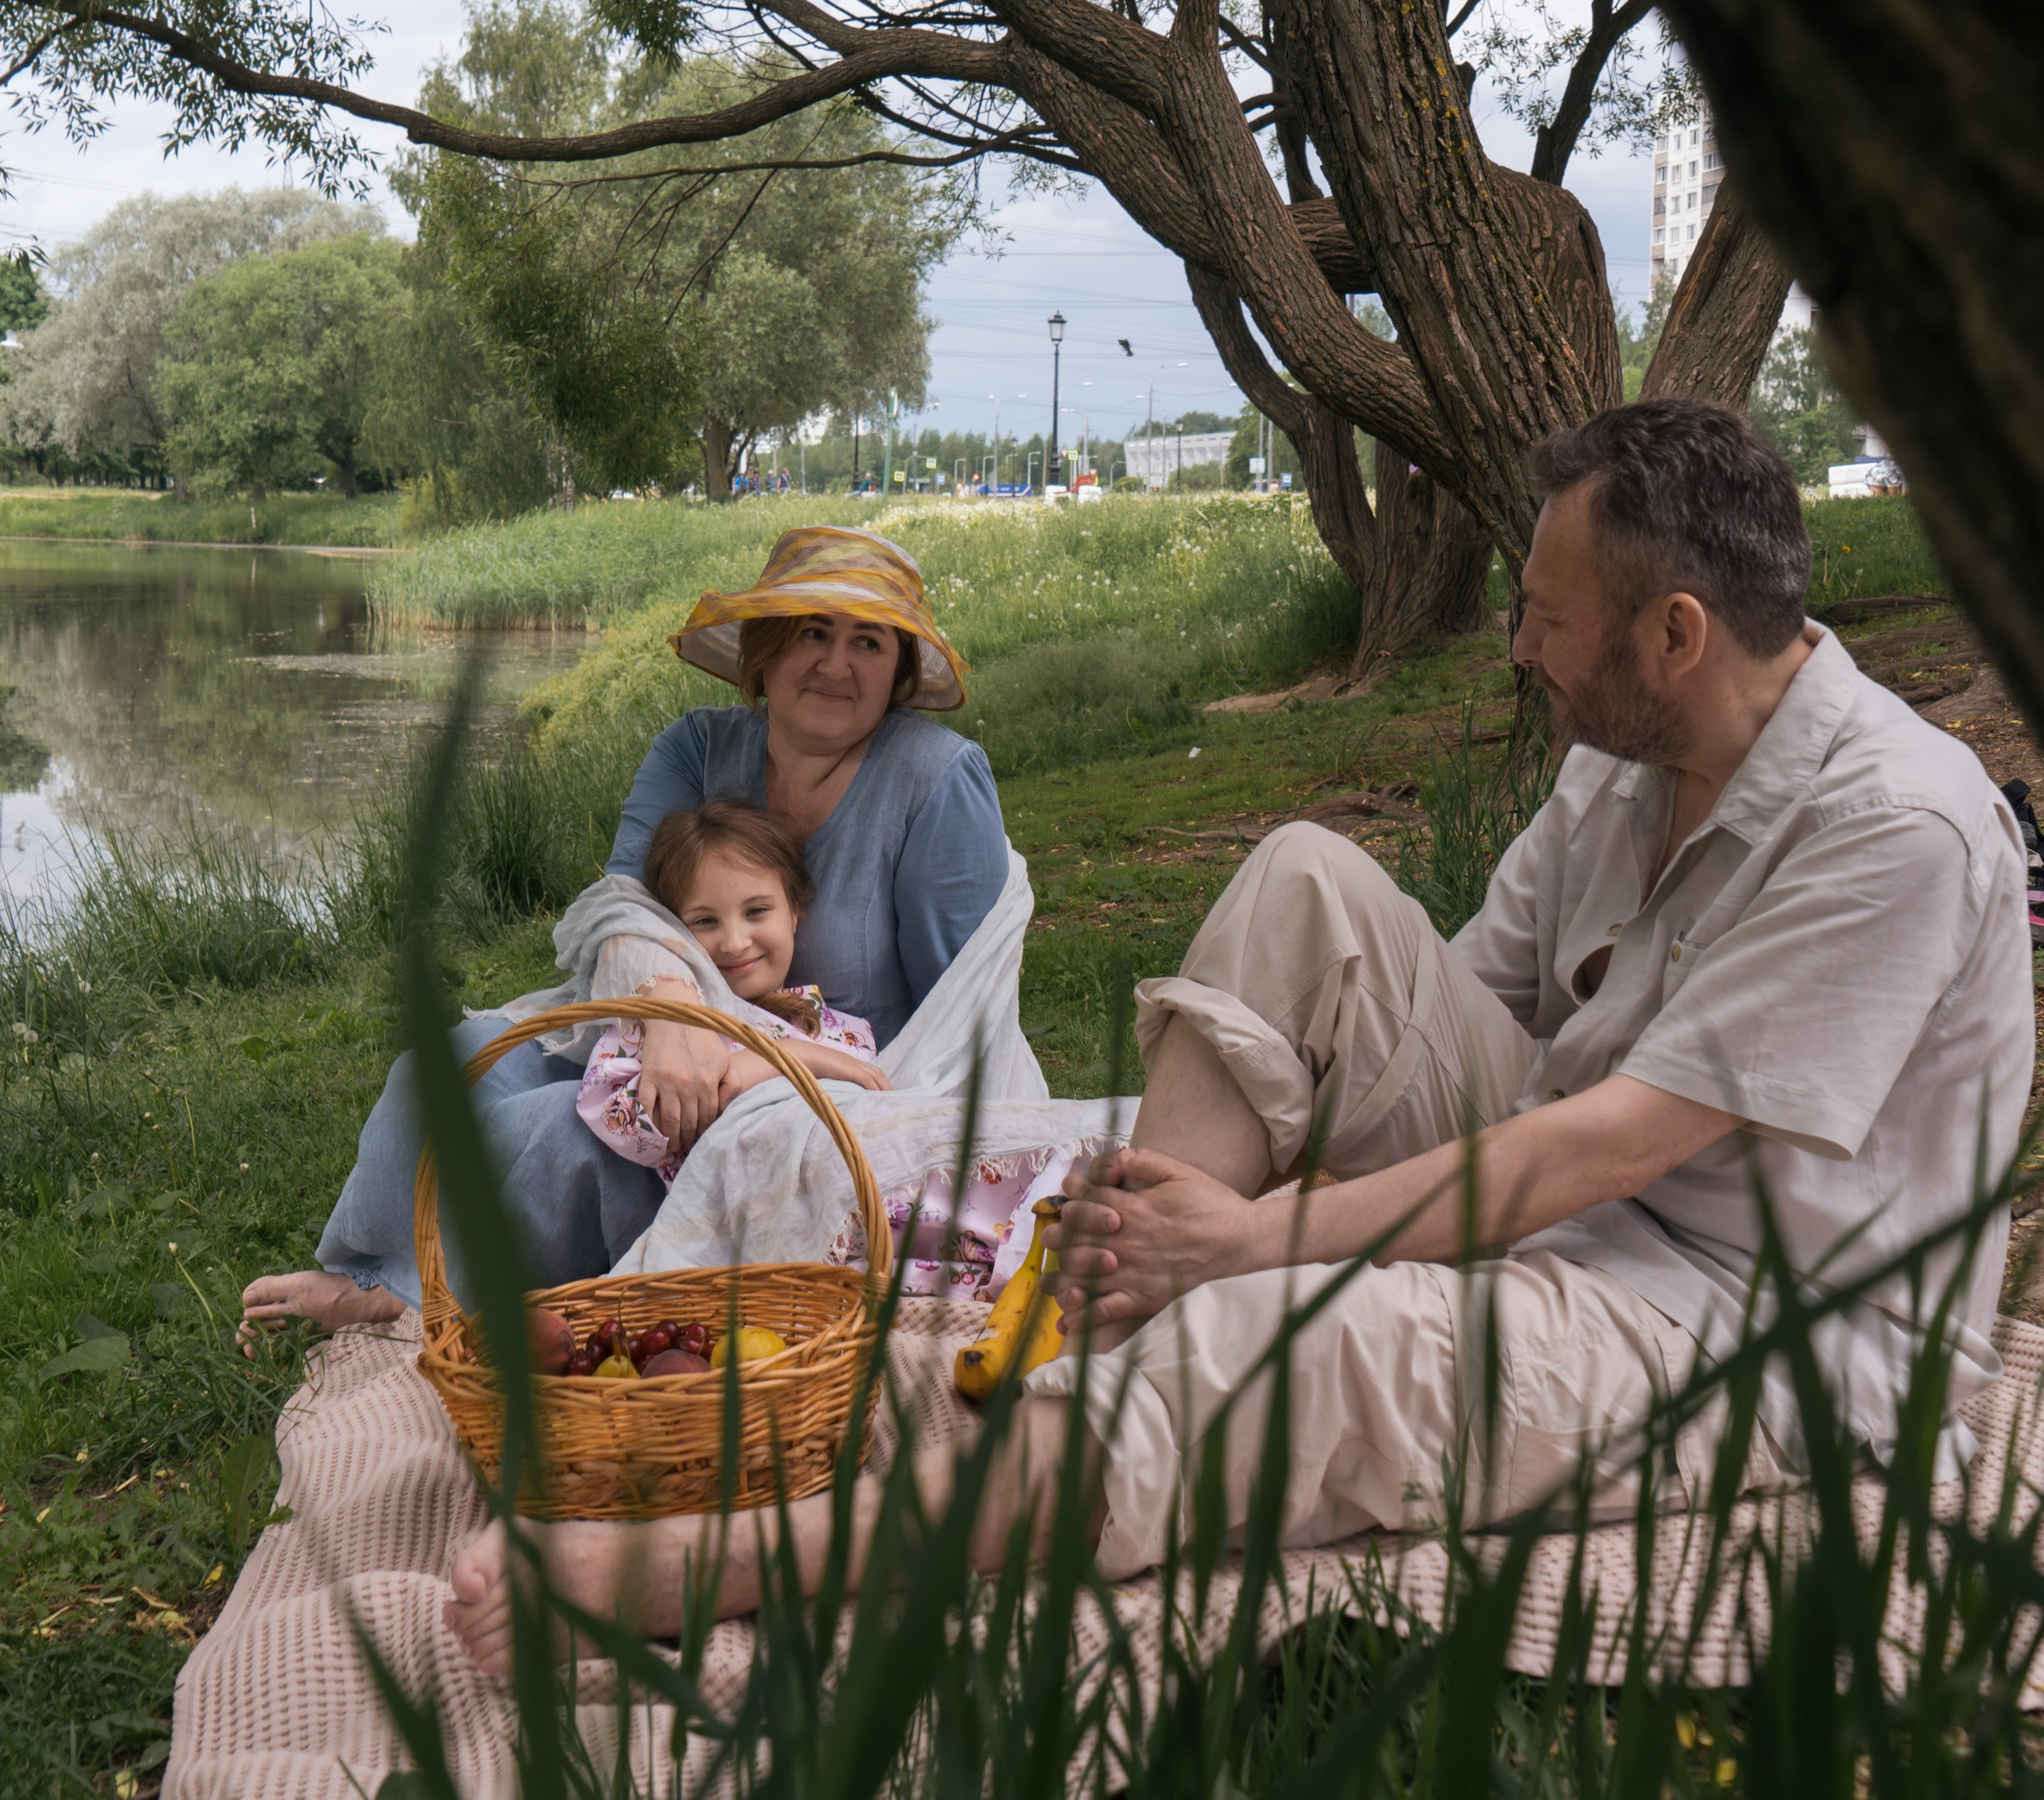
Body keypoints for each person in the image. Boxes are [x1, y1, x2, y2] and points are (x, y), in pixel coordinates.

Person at [442, 399, 2034, 1672]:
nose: (1517, 645)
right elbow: (1444, 1012)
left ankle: (726, 1567)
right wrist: (1234, 1203)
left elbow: (1606, 1144)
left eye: (1546, 618)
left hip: (1754, 1319)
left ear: (1674, 635)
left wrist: (1271, 1239)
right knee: (1304, 880)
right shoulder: (1625, 755)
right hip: (1560, 1182)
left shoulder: (1889, 829)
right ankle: (1108, 1313)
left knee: (1315, 1333)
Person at [241, 526, 1008, 1347]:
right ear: (764, 652)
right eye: (812, 632)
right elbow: (624, 903)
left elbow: (967, 1007)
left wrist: (788, 1070)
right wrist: (673, 1010)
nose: (835, 664)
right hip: (650, 1019)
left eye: (869, 642)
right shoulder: (699, 746)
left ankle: (416, 1303)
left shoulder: (934, 777)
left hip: (825, 1068)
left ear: (898, 671)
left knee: (567, 1130)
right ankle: (381, 1270)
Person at [575, 801, 889, 1186]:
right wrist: (785, 1058)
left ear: (793, 911)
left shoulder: (833, 1025)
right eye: (706, 921)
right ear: (674, 934)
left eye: (756, 911)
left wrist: (791, 1055)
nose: (736, 943)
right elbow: (624, 1122)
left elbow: (869, 1094)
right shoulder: (664, 1028)